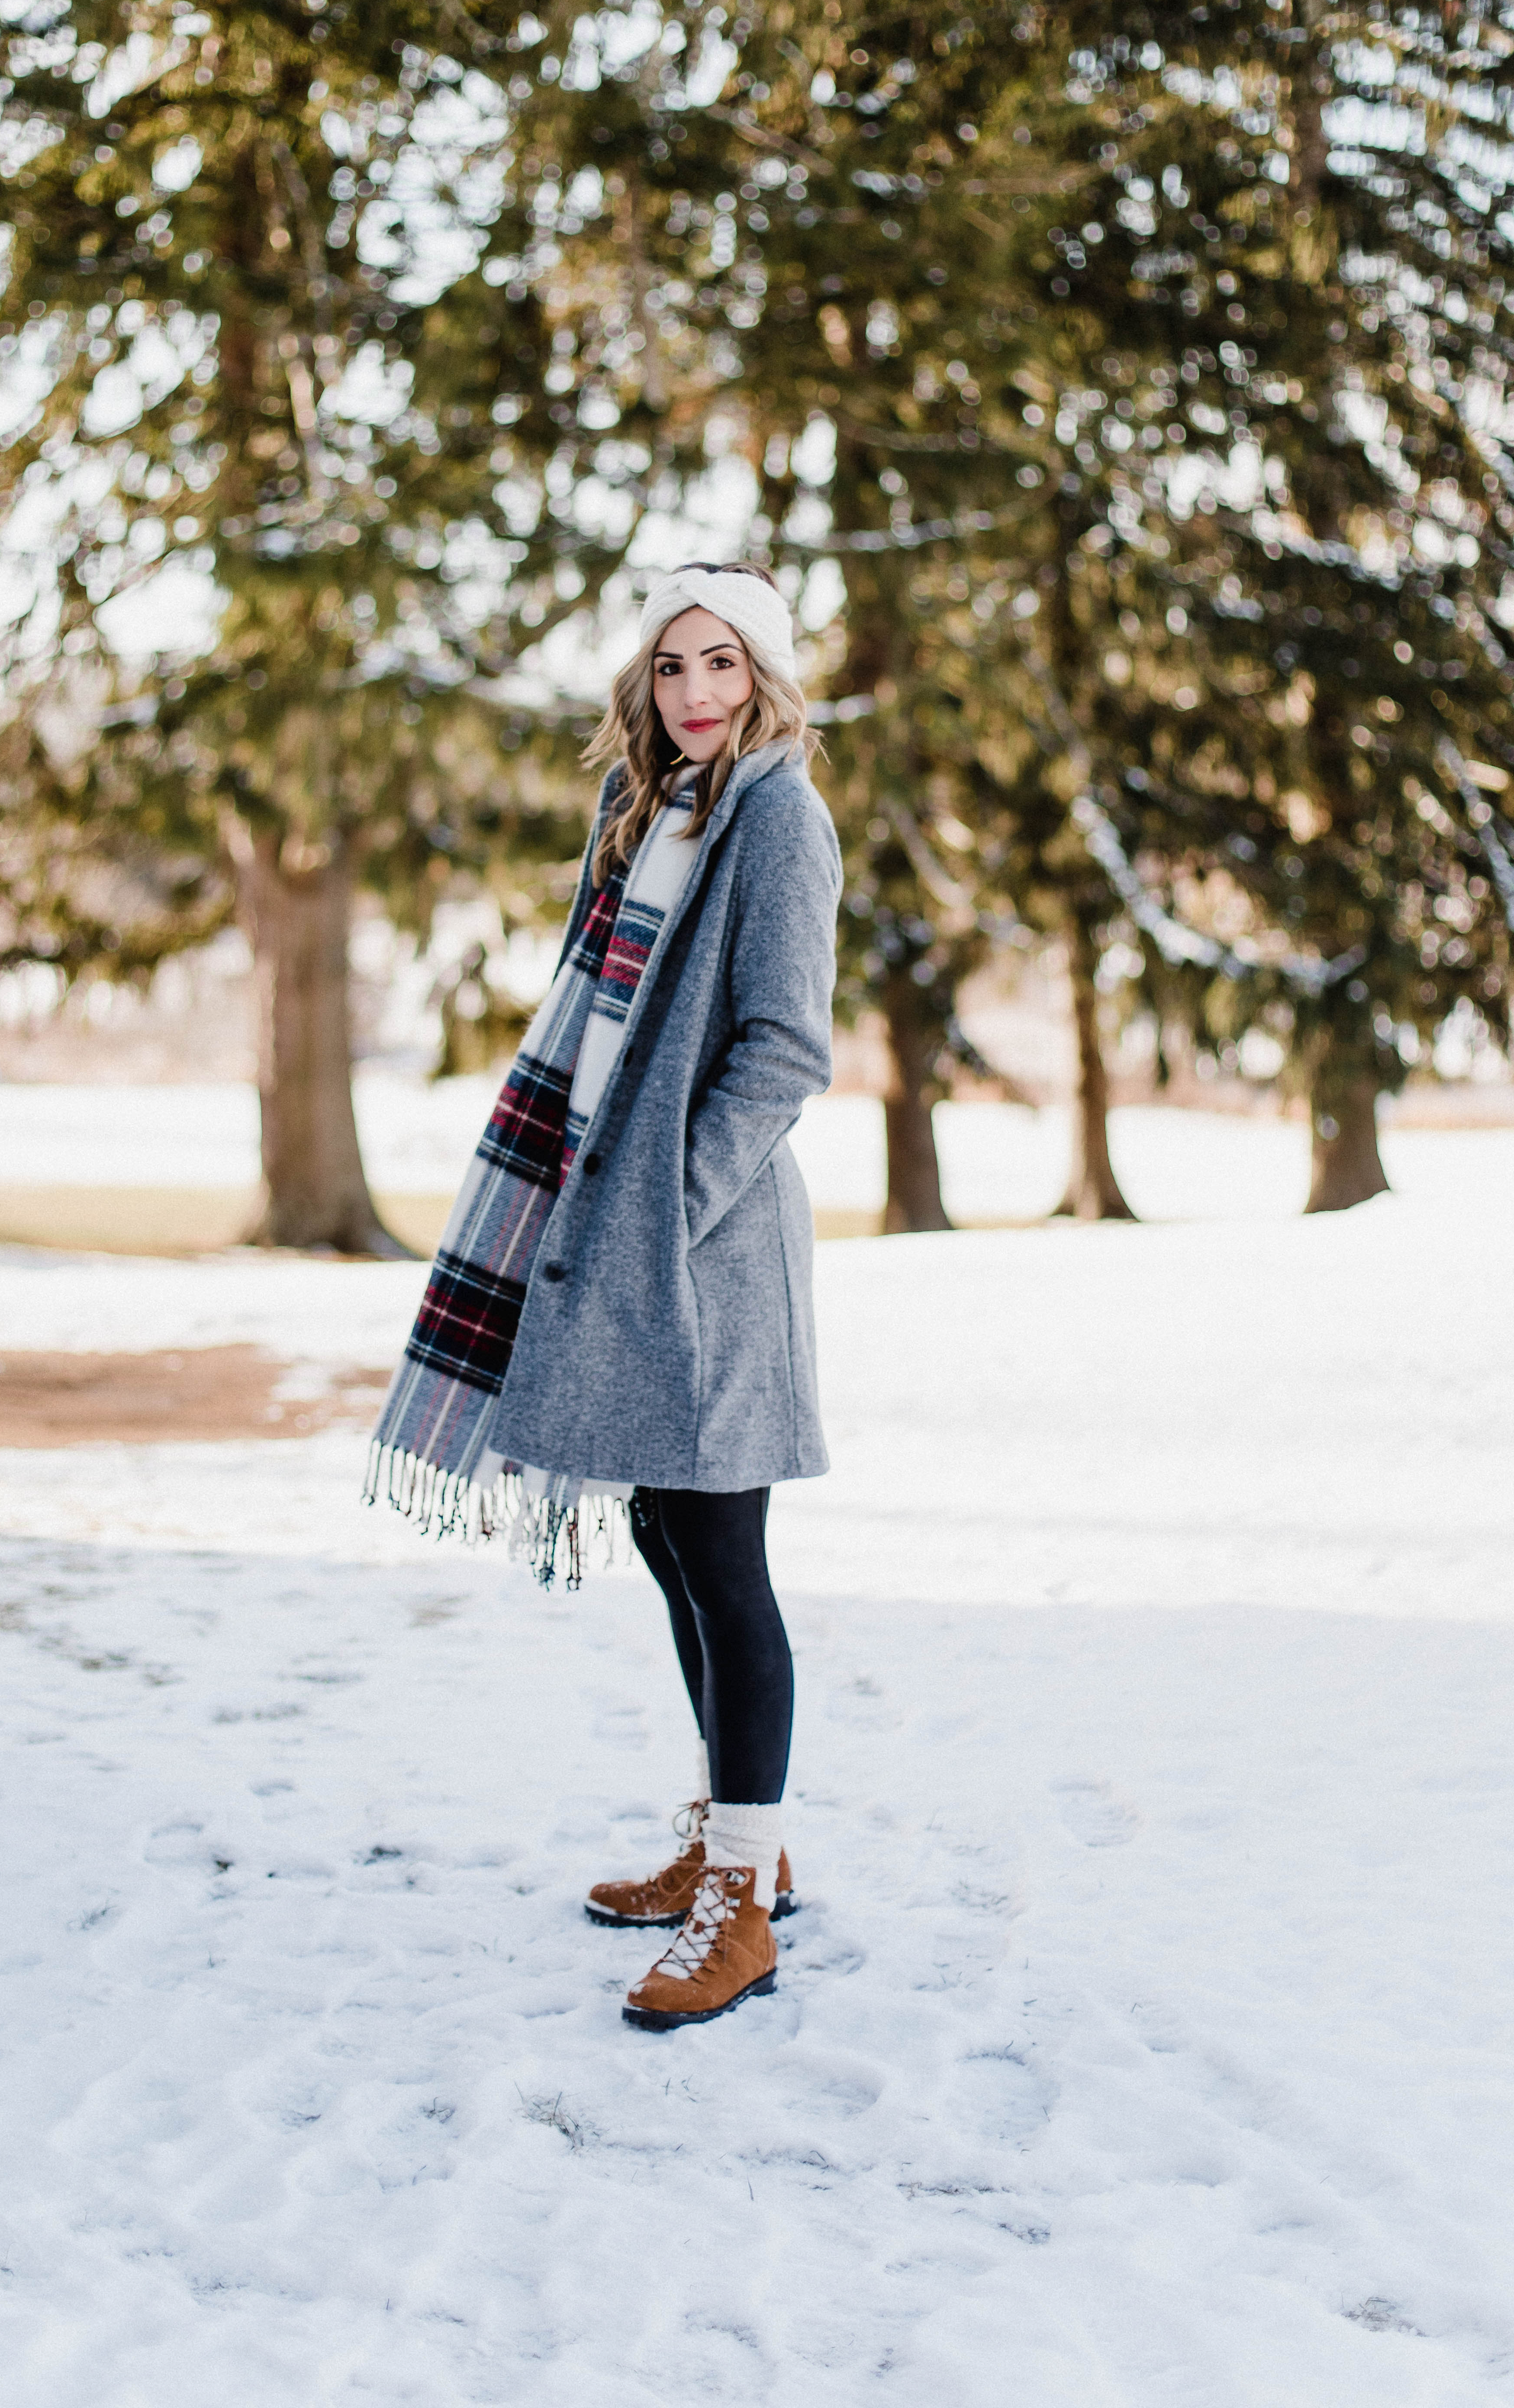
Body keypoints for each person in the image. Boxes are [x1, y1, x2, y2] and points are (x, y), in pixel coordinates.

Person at [367, 561, 841, 2032]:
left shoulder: (779, 819)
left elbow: (785, 1051)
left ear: (765, 678)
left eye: (724, 665)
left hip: (702, 1255)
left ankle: (742, 1908)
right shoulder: (653, 816)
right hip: (621, 1229)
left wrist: (670, 1205)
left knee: (723, 1552)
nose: (697, 693)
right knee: (662, 1528)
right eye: (673, 667)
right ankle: (730, 1838)